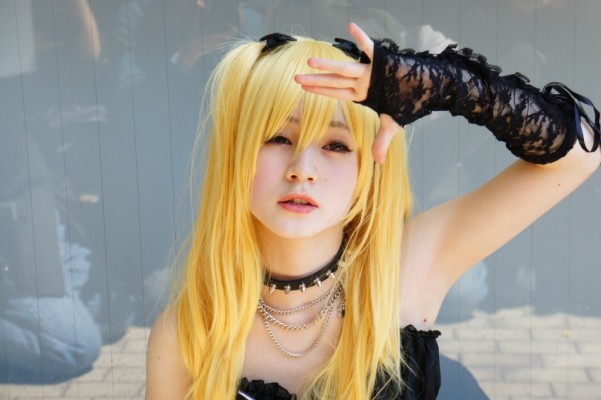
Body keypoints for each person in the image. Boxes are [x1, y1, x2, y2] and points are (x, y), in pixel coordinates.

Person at [145, 23, 600, 399]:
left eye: (336, 145)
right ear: (236, 154)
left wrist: (442, 85)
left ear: (370, 166)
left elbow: (581, 152)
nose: (303, 169)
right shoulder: (186, 332)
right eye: (279, 137)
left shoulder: (406, 269)